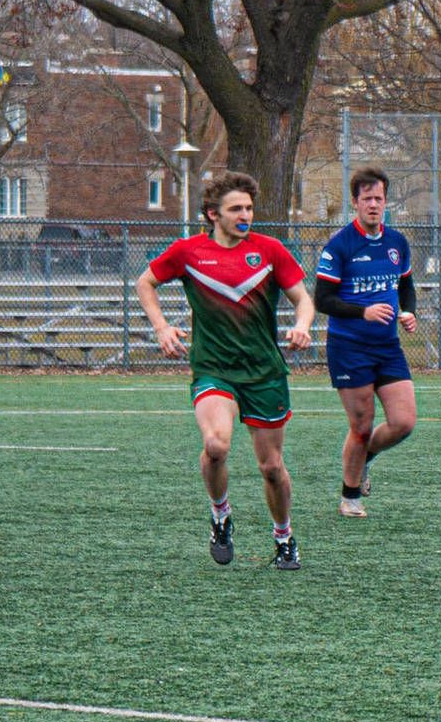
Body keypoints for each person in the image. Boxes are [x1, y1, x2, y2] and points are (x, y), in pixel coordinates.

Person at [134, 172, 317, 569]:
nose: (246, 214)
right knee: (216, 445)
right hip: (213, 368)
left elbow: (304, 299)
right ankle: (220, 517)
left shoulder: (269, 251)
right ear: (213, 214)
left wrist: (302, 325)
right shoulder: (188, 251)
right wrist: (162, 328)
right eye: (237, 208)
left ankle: (284, 537)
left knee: (271, 468)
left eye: (249, 208)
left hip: (264, 370)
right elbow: (145, 283)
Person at [313, 167, 417, 518]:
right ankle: (350, 496)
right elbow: (322, 301)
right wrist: (363, 312)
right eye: (367, 198)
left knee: (404, 422)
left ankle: (367, 456)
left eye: (379, 198)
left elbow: (406, 285)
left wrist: (409, 311)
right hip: (349, 348)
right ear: (355, 202)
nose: (374, 204)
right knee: (361, 426)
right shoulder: (339, 245)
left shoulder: (397, 242)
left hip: (388, 347)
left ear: (386, 202)